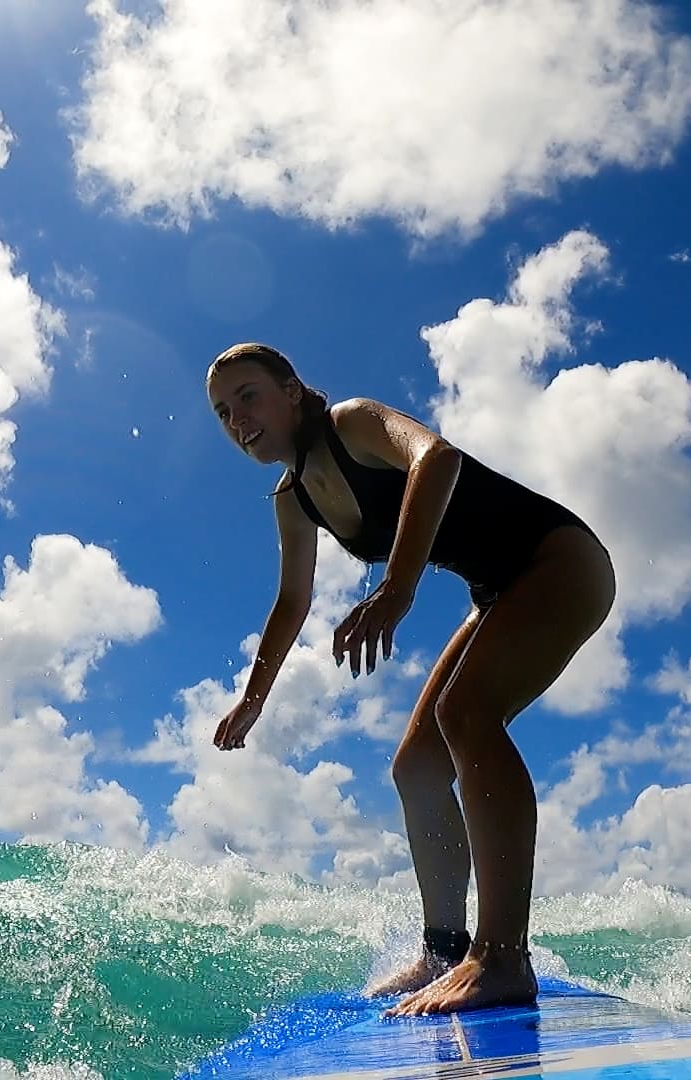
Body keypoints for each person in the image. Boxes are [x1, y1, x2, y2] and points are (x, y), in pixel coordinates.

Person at [204, 342, 615, 1016]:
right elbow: (292, 602)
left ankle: (503, 957)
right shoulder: (292, 498)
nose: (237, 418)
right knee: (417, 768)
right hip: (498, 593)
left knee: (466, 716)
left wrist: (398, 586)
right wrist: (253, 700)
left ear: (291, 388)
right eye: (223, 412)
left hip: (559, 559)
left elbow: (439, 459)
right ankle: (446, 951)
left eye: (248, 395)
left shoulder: (353, 422)